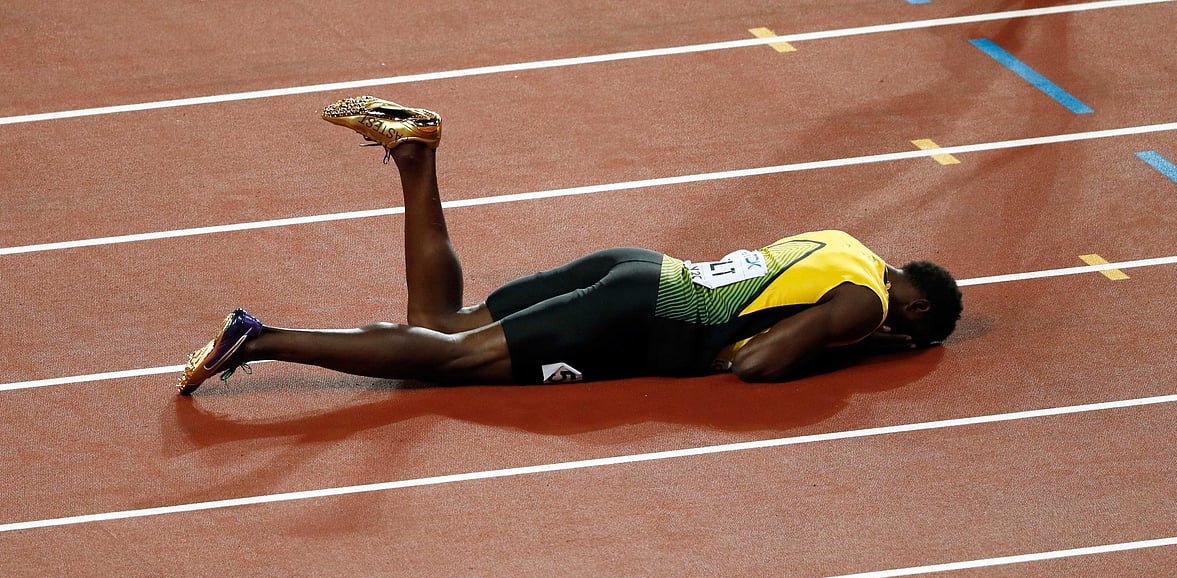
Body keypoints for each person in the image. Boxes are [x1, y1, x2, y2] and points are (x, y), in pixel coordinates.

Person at [177, 96, 962, 395]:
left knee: (435, 323)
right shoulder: (864, 302)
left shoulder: (846, 244)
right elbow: (753, 363)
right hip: (645, 317)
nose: (895, 336)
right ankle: (260, 339)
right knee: (440, 363)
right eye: (910, 330)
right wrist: (850, 349)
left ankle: (416, 155)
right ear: (913, 300)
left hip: (639, 268)